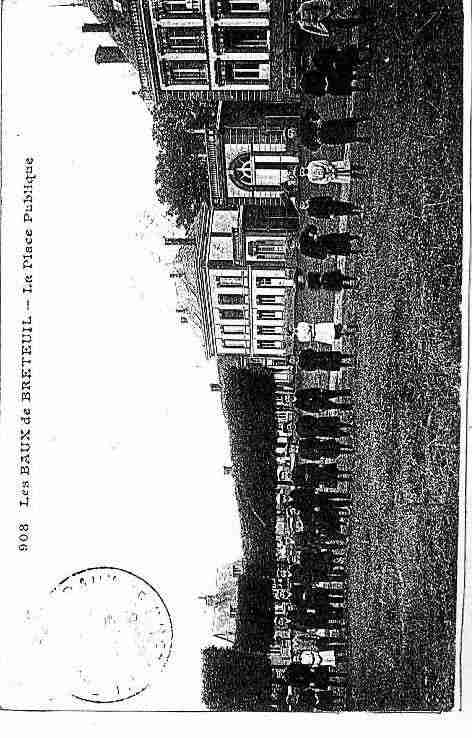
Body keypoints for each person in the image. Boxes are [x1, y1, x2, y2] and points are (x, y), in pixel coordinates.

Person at [285, 110, 371, 151]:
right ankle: (363, 139)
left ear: (292, 127)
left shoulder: (301, 123)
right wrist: (318, 143)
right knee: (343, 139)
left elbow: (309, 112)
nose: (292, 132)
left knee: (343, 123)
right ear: (292, 137)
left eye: (290, 131)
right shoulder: (302, 140)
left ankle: (363, 119)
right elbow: (312, 148)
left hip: (323, 127)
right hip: (325, 138)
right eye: (290, 134)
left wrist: (317, 119)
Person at [296, 1, 371, 37]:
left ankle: (363, 11)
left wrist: (328, 5)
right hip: (325, 23)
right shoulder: (302, 25)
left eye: (291, 16)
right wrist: (325, 33)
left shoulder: (303, 7)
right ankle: (362, 20)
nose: (292, 18)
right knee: (344, 24)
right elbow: (314, 30)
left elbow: (317, 2)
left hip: (328, 11)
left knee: (346, 13)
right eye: (291, 20)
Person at [299, 159, 365, 185]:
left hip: (331, 167)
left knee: (348, 167)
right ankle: (362, 177)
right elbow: (321, 181)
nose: (303, 172)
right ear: (302, 176)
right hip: (330, 176)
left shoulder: (311, 164)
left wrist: (329, 167)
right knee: (346, 176)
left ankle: (362, 167)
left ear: (302, 167)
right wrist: (329, 178)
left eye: (301, 170)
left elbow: (322, 162)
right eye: (301, 173)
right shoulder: (311, 178)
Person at [298, 196, 364, 218]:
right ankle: (358, 214)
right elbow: (320, 216)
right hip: (330, 212)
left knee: (345, 205)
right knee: (344, 212)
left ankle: (358, 207)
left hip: (330, 204)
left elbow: (321, 198)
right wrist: (329, 216)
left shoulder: (311, 200)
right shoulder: (310, 213)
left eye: (302, 203)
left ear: (303, 201)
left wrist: (330, 198)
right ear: (302, 208)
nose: (303, 205)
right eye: (301, 206)